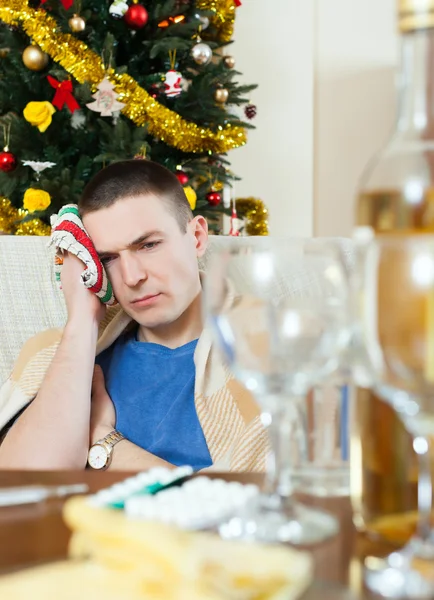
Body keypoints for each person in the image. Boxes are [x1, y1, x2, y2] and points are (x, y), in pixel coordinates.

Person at [0, 160, 266, 471]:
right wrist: (83, 320)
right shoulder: (62, 355)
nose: (131, 276)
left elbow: (243, 506)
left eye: (148, 245)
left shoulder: (271, 343)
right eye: (108, 258)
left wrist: (103, 439)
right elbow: (21, 487)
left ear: (197, 236)